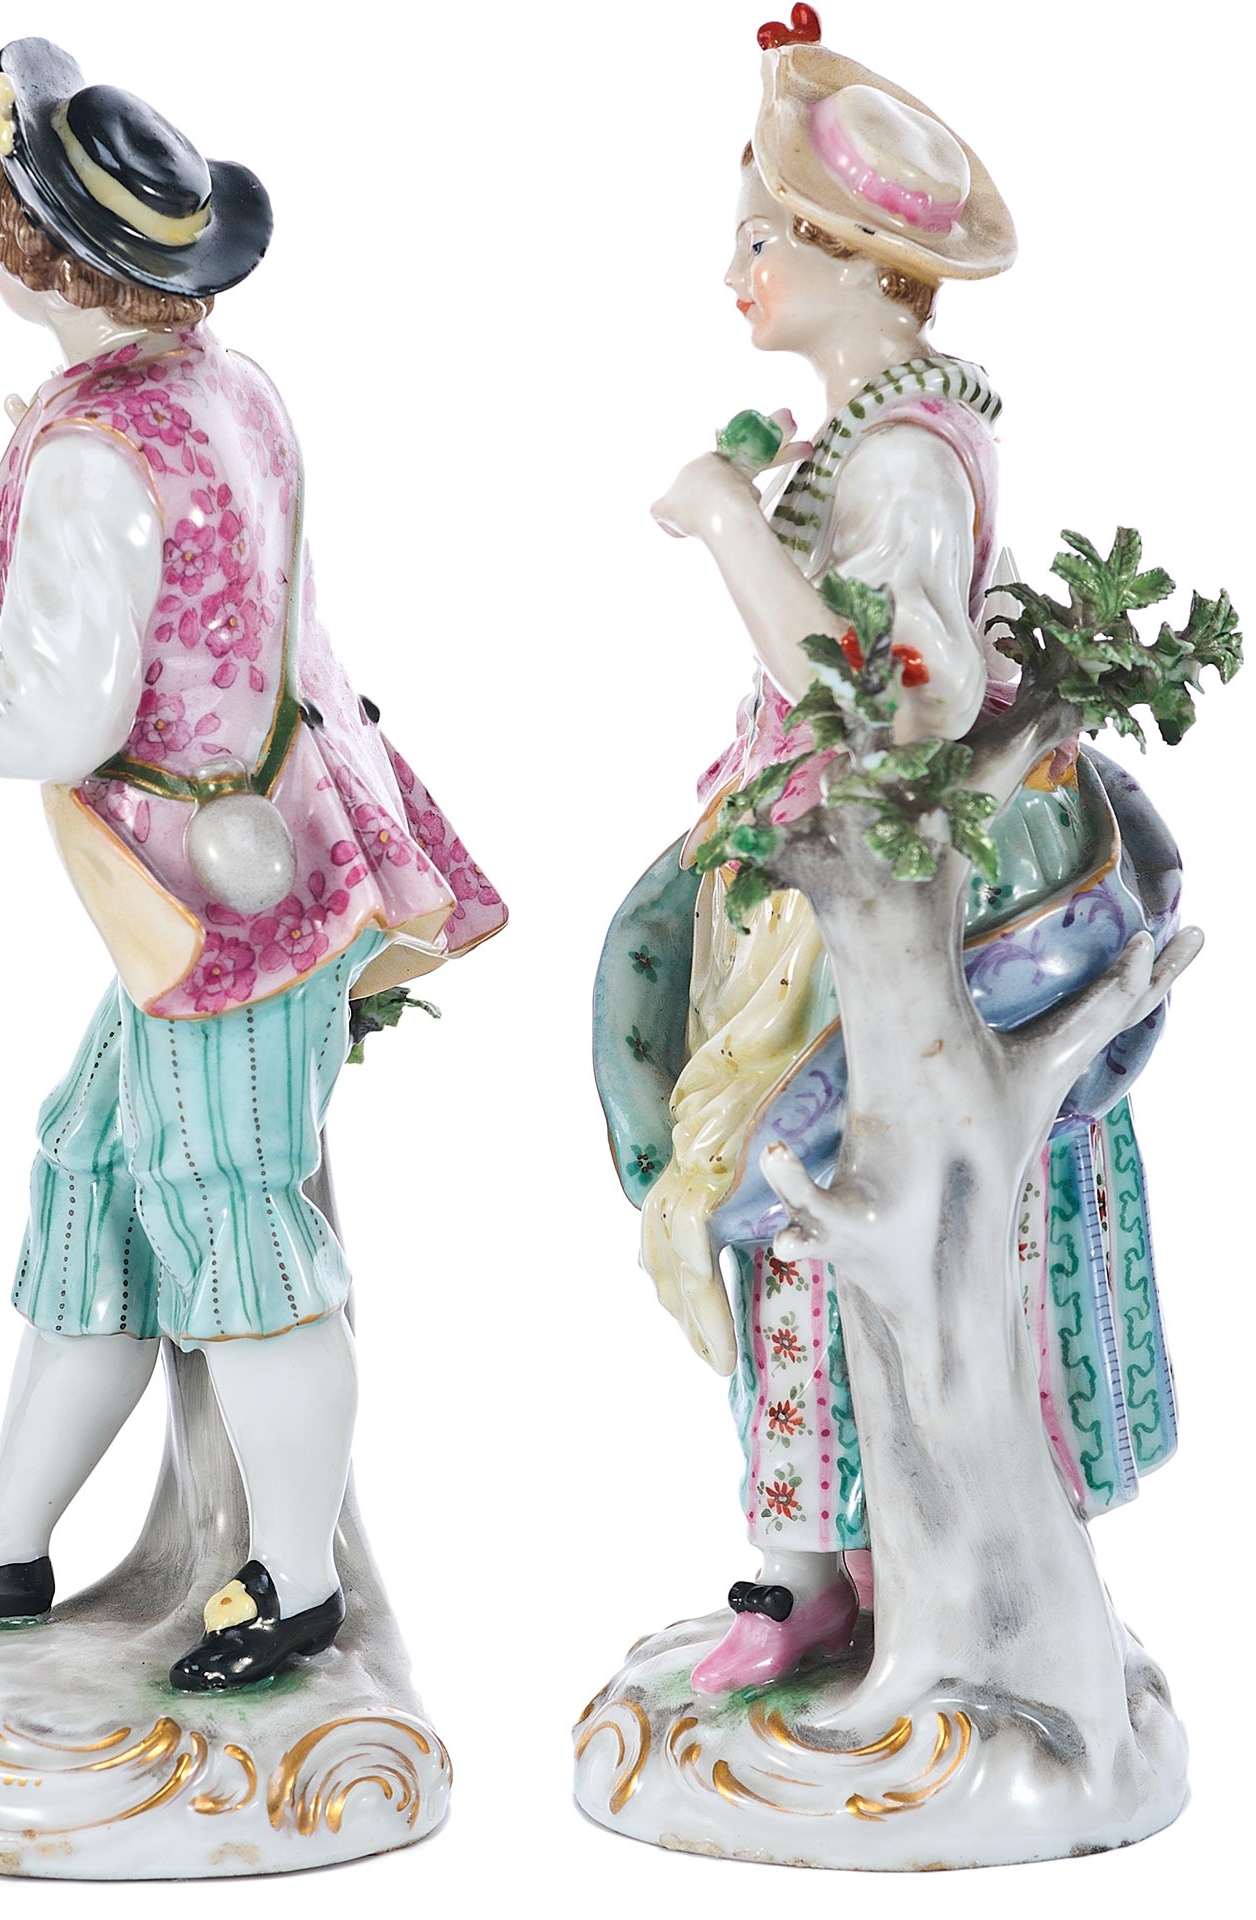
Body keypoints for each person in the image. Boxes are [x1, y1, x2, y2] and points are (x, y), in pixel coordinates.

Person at [0, 38, 505, 1693]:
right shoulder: (226, 385)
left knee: (232, 1212)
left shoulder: (94, 457)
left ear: (34, 252)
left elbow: (62, 712)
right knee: (94, 1170)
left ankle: (295, 1583)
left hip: (219, 904)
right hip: (261, 860)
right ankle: (3, 1546)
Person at [592, 16, 1177, 1695]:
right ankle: (811, 1556)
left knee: (800, 1186)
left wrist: (726, 523)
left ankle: (840, 1561)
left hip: (888, 906)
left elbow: (905, 693)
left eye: (759, 242)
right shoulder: (873, 434)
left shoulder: (905, 456)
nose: (735, 274)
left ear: (853, 265)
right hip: (815, 875)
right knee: (794, 1196)